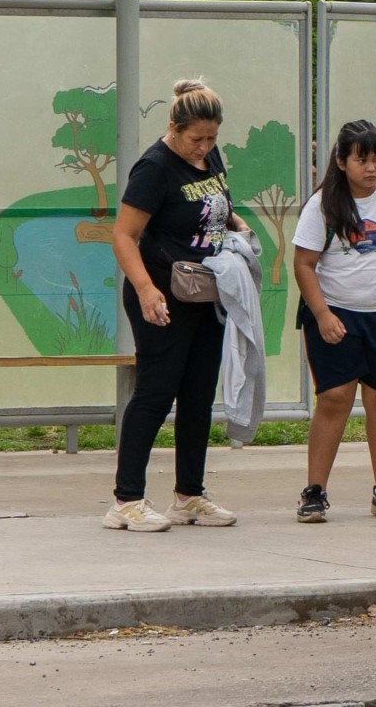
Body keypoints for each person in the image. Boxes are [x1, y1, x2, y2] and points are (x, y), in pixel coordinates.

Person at [105, 79, 247, 533]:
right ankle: (125, 500)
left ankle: (189, 494)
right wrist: (147, 290)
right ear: (174, 128)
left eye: (212, 139)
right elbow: (123, 237)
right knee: (155, 390)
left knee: (199, 393)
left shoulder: (207, 155)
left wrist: (241, 231)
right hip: (163, 292)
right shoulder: (155, 167)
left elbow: (219, 206)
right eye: (195, 139)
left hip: (206, 292)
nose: (203, 147)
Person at [292, 120, 376, 523]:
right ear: (341, 162)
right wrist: (322, 315)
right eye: (361, 160)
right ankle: (314, 492)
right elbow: (303, 264)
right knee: (334, 399)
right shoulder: (323, 205)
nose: (372, 168)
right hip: (336, 313)